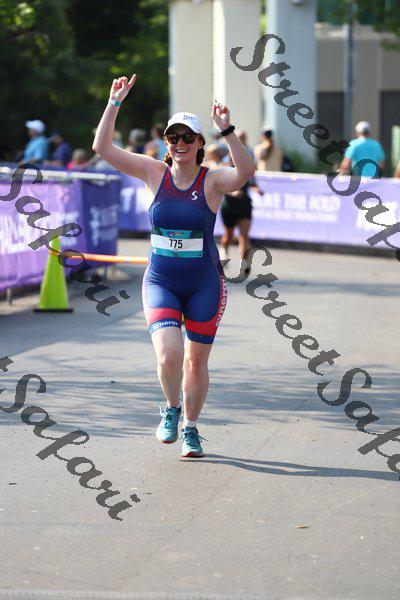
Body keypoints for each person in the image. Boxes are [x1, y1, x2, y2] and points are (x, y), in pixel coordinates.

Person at [92, 74, 255, 458]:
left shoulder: (212, 181)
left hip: (204, 284)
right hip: (161, 281)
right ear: (166, 143)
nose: (179, 143)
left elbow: (245, 172)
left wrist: (227, 130)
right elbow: (102, 147)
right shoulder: (154, 172)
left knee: (195, 363)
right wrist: (114, 102)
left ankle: (191, 429)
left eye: (187, 137)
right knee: (169, 354)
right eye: (173, 137)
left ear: (199, 143)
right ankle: (171, 408)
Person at [219, 155, 254, 272]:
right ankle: (224, 251)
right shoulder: (225, 168)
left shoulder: (248, 168)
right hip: (229, 206)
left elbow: (253, 183)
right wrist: (232, 192)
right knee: (229, 235)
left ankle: (244, 261)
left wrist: (258, 189)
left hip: (244, 205)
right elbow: (220, 186)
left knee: (244, 235)